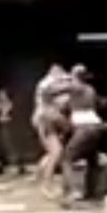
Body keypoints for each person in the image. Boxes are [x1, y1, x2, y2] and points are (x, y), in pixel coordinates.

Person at [62, 64, 105, 201]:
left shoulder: (76, 87)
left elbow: (55, 92)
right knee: (92, 159)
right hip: (96, 126)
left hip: (84, 127)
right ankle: (91, 191)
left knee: (67, 158)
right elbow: (99, 104)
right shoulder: (91, 89)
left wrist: (61, 79)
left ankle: (75, 191)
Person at [32, 64, 74, 200]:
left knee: (53, 152)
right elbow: (59, 95)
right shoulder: (47, 85)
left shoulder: (50, 84)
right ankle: (46, 186)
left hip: (48, 120)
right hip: (45, 120)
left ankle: (39, 178)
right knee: (56, 152)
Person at [0, 88, 21, 175]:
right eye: (0, 95)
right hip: (0, 128)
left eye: (3, 94)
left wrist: (5, 116)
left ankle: (19, 165)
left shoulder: (10, 104)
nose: (1, 96)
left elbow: (13, 116)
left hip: (10, 128)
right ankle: (0, 166)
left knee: (10, 147)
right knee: (0, 147)